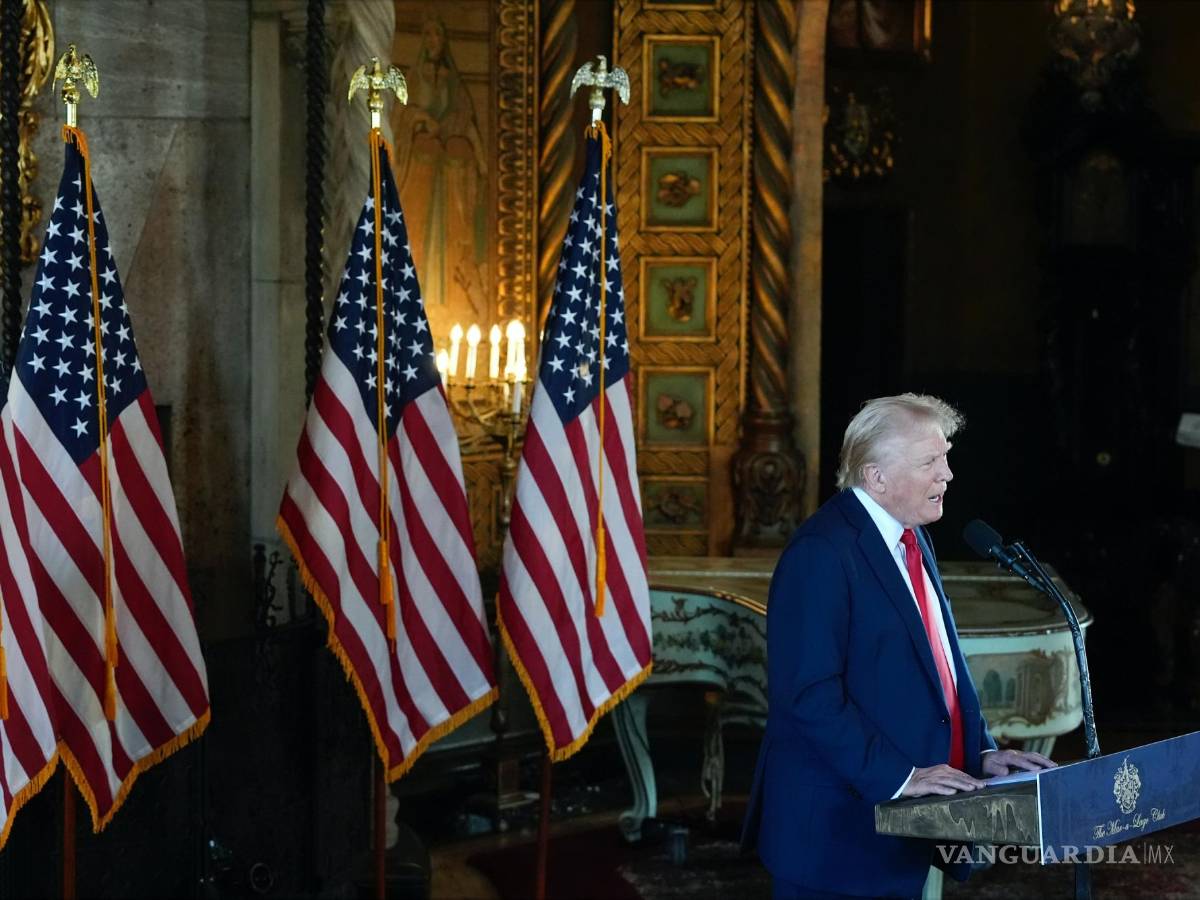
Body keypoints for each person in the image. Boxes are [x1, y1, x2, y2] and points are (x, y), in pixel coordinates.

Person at [742, 394, 1056, 898]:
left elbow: (941, 666)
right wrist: (900, 776)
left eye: (946, 457)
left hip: (906, 830)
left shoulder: (911, 537)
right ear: (876, 477)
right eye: (930, 462)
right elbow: (808, 697)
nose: (947, 474)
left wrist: (977, 753)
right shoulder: (820, 554)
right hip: (838, 841)